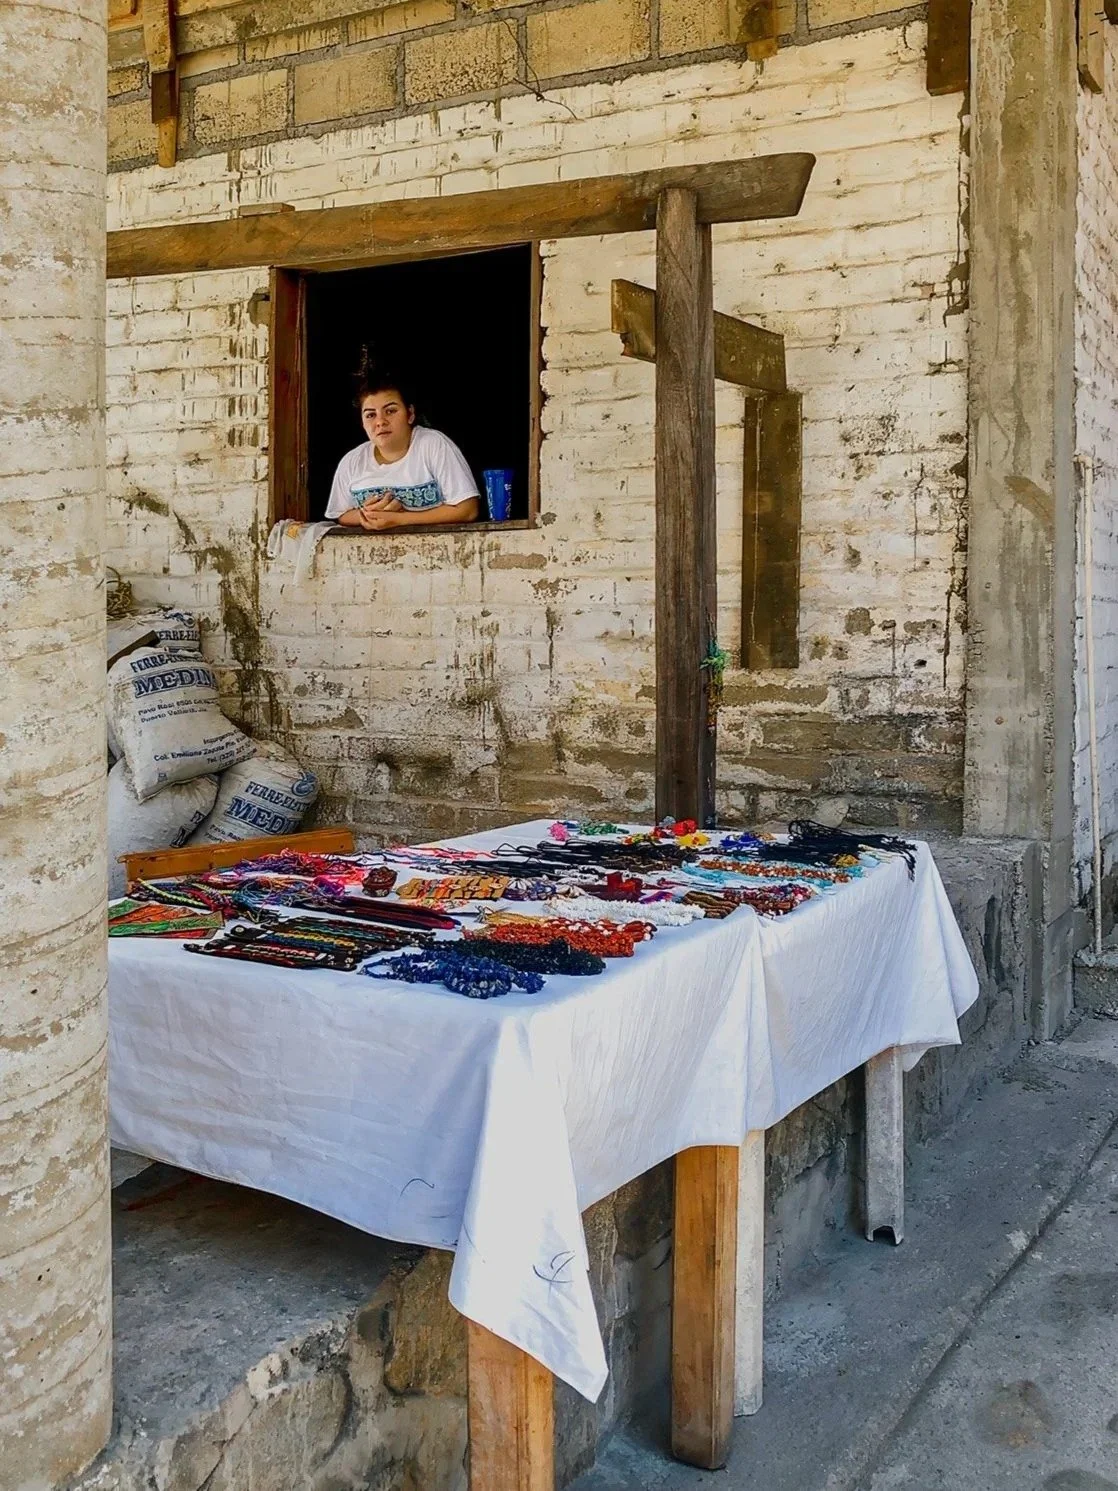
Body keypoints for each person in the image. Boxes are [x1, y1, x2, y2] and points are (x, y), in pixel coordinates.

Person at [326, 365, 480, 531]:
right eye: (370, 415)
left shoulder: (433, 444)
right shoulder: (353, 460)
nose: (380, 422)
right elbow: (340, 514)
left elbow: (468, 509)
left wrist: (399, 519)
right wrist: (368, 513)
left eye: (390, 411)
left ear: (410, 414)